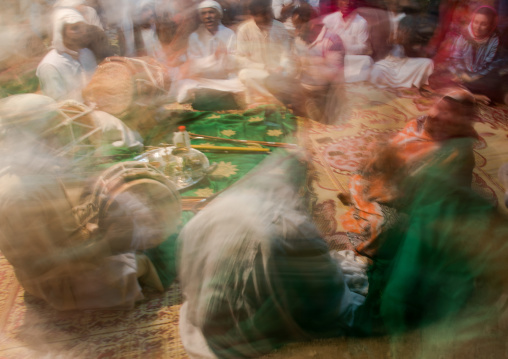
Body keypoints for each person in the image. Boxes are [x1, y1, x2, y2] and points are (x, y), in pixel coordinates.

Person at [0, 94, 179, 311]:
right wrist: (110, 241)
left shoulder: (34, 170)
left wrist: (98, 207)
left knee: (142, 229)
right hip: (56, 279)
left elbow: (64, 223)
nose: (60, 138)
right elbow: (47, 265)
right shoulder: (19, 193)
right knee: (133, 262)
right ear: (32, 140)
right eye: (53, 133)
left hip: (68, 250)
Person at [178, 153, 364, 358]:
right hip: (240, 336)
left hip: (204, 320)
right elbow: (332, 302)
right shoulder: (296, 229)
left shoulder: (209, 213)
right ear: (303, 191)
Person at [339, 88, 478, 258]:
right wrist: (381, 155)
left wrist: (395, 182)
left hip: (413, 201)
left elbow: (441, 194)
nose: (433, 113)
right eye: (437, 107)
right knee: (362, 174)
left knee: (388, 226)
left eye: (445, 112)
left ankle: (363, 208)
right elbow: (396, 147)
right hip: (388, 184)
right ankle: (363, 202)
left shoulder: (457, 151)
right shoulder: (418, 124)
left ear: (458, 120)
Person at [266, 4, 345, 123]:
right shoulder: (299, 39)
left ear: (311, 23)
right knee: (271, 80)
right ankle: (303, 105)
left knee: (325, 116)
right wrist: (287, 68)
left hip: (322, 91)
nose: (296, 32)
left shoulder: (332, 39)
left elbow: (334, 74)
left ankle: (308, 108)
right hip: (302, 87)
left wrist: (309, 63)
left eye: (299, 27)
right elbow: (293, 70)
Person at [429, 6, 508, 105]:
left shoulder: (496, 41)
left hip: (481, 78)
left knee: (499, 82)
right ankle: (472, 95)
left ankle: (460, 93)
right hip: (462, 77)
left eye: (483, 24)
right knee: (435, 78)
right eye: (476, 22)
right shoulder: (463, 35)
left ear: (491, 26)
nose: (478, 27)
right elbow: (455, 59)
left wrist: (473, 77)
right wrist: (460, 74)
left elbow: (493, 65)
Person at [175, 0, 244, 110]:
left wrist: (226, 56)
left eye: (211, 12)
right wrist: (214, 58)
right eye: (204, 13)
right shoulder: (194, 36)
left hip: (225, 80)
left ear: (218, 14)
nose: (208, 16)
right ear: (201, 17)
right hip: (203, 80)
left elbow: (235, 63)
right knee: (184, 85)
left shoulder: (229, 34)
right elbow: (193, 66)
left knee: (242, 83)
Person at [236, 0, 296, 106]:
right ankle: (273, 100)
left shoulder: (280, 27)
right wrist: (263, 67)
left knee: (292, 71)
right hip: (259, 71)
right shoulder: (244, 30)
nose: (267, 17)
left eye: (268, 12)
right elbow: (240, 58)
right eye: (262, 15)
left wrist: (281, 67)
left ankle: (272, 98)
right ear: (253, 15)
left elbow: (286, 53)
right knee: (244, 75)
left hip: (279, 72)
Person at [36, 7, 97, 101]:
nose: (82, 32)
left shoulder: (87, 54)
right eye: (75, 28)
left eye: (83, 27)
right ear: (60, 33)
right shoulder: (50, 66)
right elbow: (59, 105)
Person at [369, 2, 434, 89]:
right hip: (387, 62)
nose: (395, 3)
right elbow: (377, 45)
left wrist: (404, 42)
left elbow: (411, 46)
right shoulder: (382, 18)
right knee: (376, 71)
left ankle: (416, 85)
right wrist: (390, 42)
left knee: (427, 63)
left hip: (404, 62)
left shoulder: (407, 18)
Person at [322, 0, 373, 82]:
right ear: (338, 2)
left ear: (355, 3)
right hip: (332, 59)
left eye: (350, 0)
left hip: (350, 59)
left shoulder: (361, 22)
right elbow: (322, 42)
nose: (347, 3)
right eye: (343, 0)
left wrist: (345, 47)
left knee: (367, 60)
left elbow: (364, 47)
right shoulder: (329, 20)